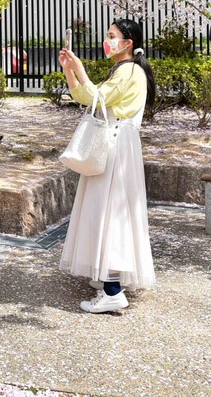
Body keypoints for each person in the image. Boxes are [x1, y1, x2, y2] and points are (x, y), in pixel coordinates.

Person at [58, 18, 157, 313]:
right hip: (118, 142)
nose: (107, 40)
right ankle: (109, 278)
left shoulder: (128, 70)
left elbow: (96, 98)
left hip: (115, 142)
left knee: (110, 210)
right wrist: (69, 70)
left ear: (128, 43)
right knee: (110, 209)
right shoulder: (126, 69)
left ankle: (112, 289)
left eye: (112, 36)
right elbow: (87, 98)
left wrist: (78, 68)